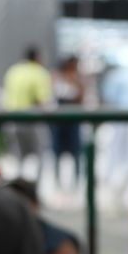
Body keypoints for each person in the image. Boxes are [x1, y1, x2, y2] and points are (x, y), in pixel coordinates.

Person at [3, 46, 53, 180]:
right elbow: (43, 101)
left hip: (11, 120)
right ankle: (34, 192)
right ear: (37, 58)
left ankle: (18, 190)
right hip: (31, 121)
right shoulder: (39, 72)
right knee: (40, 157)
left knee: (17, 158)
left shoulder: (13, 71)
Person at [51, 55, 85, 189]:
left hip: (73, 121)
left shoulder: (78, 79)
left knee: (76, 152)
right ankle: (58, 182)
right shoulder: (58, 77)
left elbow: (80, 97)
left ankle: (76, 182)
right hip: (60, 121)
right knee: (58, 152)